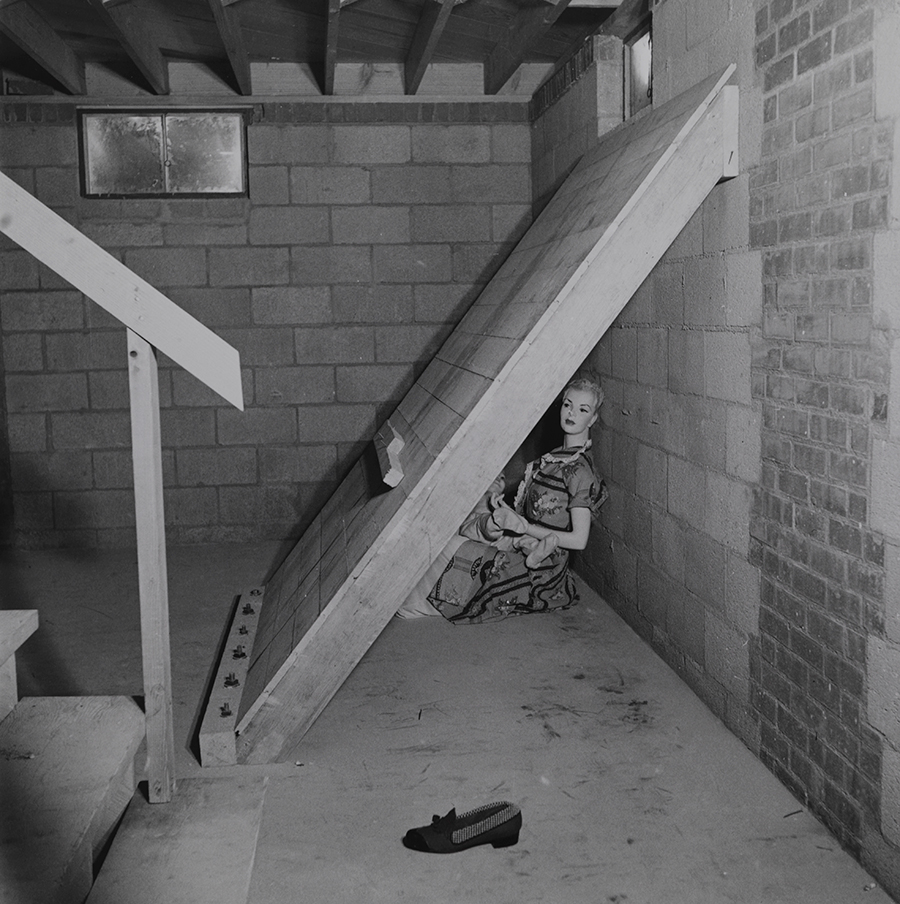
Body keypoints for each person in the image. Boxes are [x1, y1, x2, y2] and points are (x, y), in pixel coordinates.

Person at [396, 374, 607, 623]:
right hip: (523, 540)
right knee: (449, 537)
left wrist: (525, 527)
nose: (571, 413)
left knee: (455, 550)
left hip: (544, 569)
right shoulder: (554, 458)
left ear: (592, 418)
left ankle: (423, 603)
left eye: (582, 409)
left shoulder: (580, 471)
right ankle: (416, 599)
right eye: (567, 404)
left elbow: (579, 540)